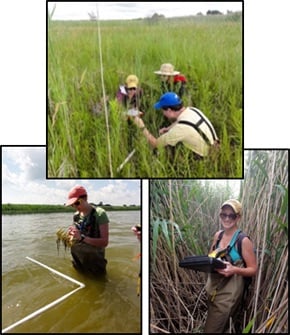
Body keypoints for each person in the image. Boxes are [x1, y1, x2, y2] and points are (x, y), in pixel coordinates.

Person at [204, 199, 257, 333]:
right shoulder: (218, 235)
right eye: (224, 215)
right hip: (212, 290)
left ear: (238, 217)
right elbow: (210, 257)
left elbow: (253, 269)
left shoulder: (243, 241)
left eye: (231, 215)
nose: (227, 219)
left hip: (228, 296)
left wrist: (234, 269)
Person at [132, 92, 219, 159]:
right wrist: (167, 129)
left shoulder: (180, 129)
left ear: (169, 110)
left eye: (163, 111)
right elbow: (181, 121)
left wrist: (141, 127)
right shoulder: (192, 110)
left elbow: (155, 144)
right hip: (215, 145)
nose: (163, 113)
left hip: (205, 156)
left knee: (164, 148)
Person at [65, 185, 109, 276]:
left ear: (85, 198)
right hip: (78, 260)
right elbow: (77, 236)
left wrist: (82, 238)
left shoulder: (100, 214)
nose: (75, 207)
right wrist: (71, 236)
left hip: (95, 263)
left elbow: (104, 242)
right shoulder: (76, 216)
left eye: (77, 203)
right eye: (72, 205)